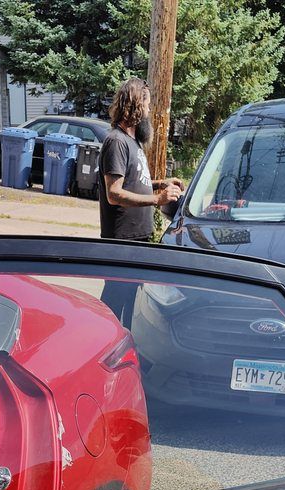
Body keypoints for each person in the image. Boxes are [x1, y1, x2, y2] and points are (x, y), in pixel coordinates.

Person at [98, 77, 184, 323]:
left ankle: (121, 354)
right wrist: (158, 199)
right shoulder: (116, 142)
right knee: (113, 309)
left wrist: (163, 183)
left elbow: (137, 183)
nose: (149, 110)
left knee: (128, 309)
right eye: (146, 105)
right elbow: (114, 194)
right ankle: (103, 355)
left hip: (138, 239)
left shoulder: (132, 143)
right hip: (123, 241)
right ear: (135, 105)